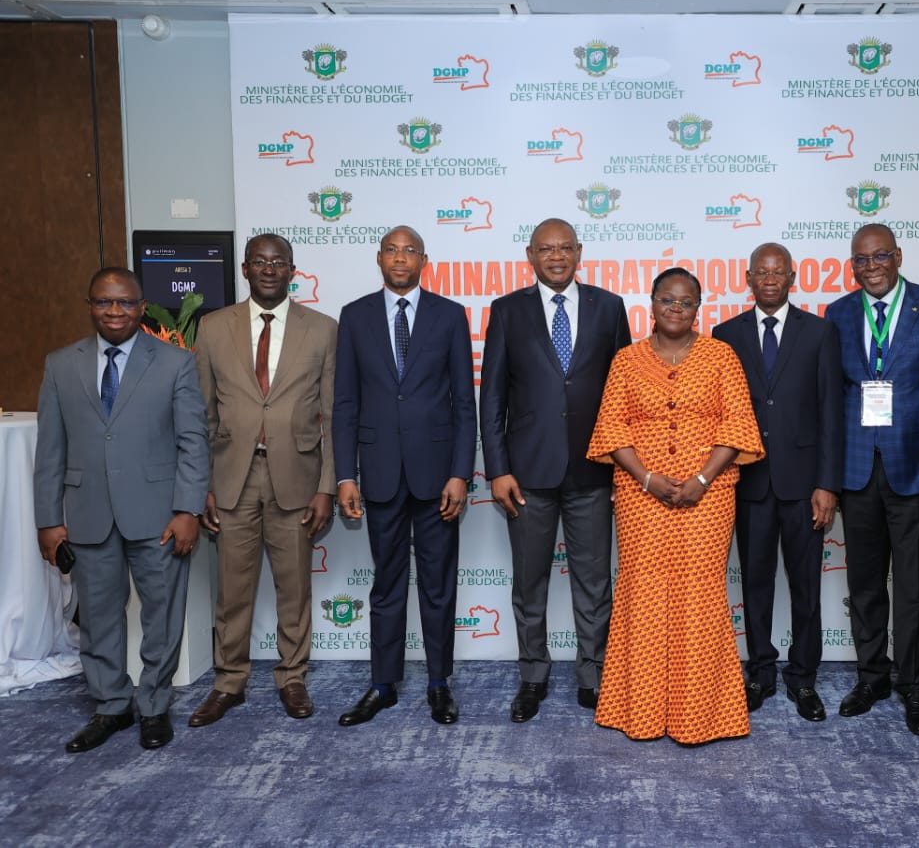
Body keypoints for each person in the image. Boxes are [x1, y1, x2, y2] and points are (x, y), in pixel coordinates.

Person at [34, 268, 208, 752]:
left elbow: (193, 442)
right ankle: (111, 705)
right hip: (88, 514)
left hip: (159, 516)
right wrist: (48, 520)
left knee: (162, 616)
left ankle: (153, 706)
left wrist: (188, 509)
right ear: (89, 305)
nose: (115, 311)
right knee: (98, 617)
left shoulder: (175, 362)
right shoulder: (60, 365)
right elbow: (49, 451)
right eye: (104, 302)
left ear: (141, 306)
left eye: (126, 302)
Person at [587, 268, 763, 744]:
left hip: (709, 496)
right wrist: (646, 479)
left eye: (686, 302)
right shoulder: (626, 360)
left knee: (699, 597)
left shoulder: (721, 356)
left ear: (697, 308)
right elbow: (611, 428)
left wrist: (702, 479)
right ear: (652, 303)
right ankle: (640, 712)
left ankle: (700, 717)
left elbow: (737, 425)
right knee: (643, 596)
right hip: (640, 496)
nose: (676, 309)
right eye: (668, 300)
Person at [480, 218, 631, 723]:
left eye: (565, 248)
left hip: (595, 470)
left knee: (594, 582)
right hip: (526, 474)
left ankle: (594, 675)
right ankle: (533, 675)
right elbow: (492, 397)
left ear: (579, 252)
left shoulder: (609, 307)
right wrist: (497, 469)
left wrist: (624, 469)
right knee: (530, 582)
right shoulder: (507, 311)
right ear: (530, 255)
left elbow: (625, 395)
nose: (557, 257)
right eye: (546, 249)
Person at [188, 234, 337, 727]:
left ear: (292, 270)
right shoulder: (213, 327)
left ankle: (292, 677)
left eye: (278, 262)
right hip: (232, 476)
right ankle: (229, 682)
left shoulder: (322, 329)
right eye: (259, 261)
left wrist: (327, 486)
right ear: (245, 269)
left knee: (294, 587)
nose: (269, 269)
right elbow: (202, 415)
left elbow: (333, 414)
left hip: (297, 477)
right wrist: (204, 485)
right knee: (232, 590)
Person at [332, 225, 476, 727]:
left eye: (409, 251)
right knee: (386, 584)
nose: (400, 258)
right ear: (379, 258)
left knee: (438, 585)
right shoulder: (354, 316)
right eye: (391, 250)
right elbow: (345, 403)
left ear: (423, 260)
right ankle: (383, 684)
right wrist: (344, 476)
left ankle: (439, 684)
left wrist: (461, 473)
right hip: (379, 474)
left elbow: (464, 403)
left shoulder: (450, 315)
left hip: (438, 477)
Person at [825, 223, 919, 735]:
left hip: (917, 467)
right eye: (861, 259)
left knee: (914, 586)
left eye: (880, 256)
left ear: (898, 256)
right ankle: (872, 677)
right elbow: (833, 395)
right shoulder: (838, 313)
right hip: (857, 468)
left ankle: (915, 684)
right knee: (863, 583)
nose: (871, 267)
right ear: (852, 265)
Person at [712, 242, 843, 722]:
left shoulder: (820, 332)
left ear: (792, 277)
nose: (769, 279)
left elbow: (831, 411)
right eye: (761, 272)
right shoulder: (725, 334)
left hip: (805, 484)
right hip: (748, 482)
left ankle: (803, 677)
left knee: (806, 586)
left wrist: (827, 483)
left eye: (778, 272)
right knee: (755, 584)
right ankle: (760, 672)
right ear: (748, 278)